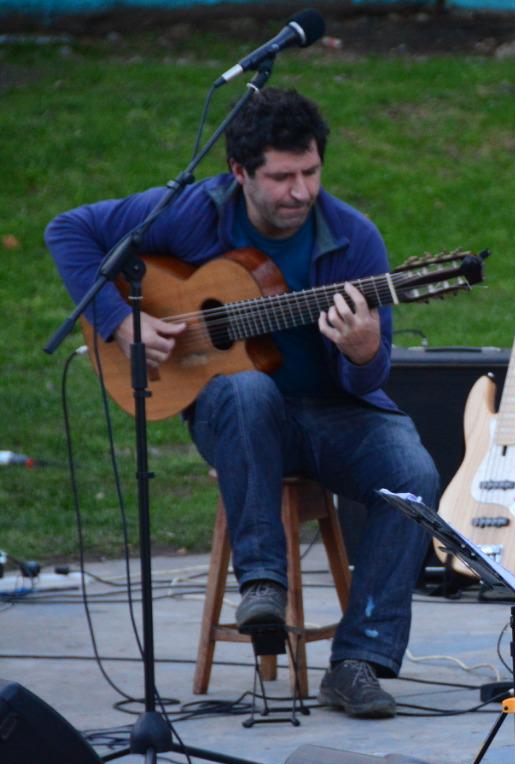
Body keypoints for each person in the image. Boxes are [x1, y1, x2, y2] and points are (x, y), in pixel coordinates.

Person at [45, 88, 440, 719]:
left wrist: (364, 351)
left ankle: (359, 661)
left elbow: (368, 382)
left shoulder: (353, 240)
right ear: (239, 173)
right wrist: (122, 323)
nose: (301, 192)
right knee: (248, 387)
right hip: (232, 412)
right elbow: (69, 230)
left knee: (412, 474)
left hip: (333, 409)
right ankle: (263, 585)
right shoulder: (192, 213)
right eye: (282, 177)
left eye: (310, 172)